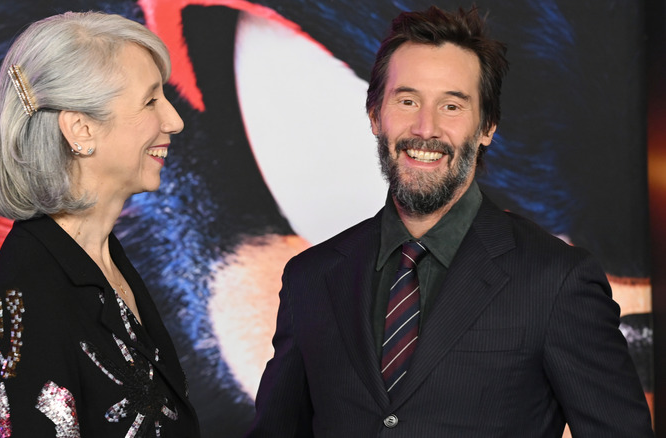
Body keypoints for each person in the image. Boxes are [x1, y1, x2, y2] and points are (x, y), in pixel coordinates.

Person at [247, 5, 653, 437]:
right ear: (374, 116)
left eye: (452, 106)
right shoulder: (311, 278)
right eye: (408, 101)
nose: (426, 127)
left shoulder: (557, 280)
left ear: (487, 128)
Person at [0, 11, 200, 437]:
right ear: (80, 129)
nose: (174, 121)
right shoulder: (27, 296)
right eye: (151, 101)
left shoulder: (103, 257)